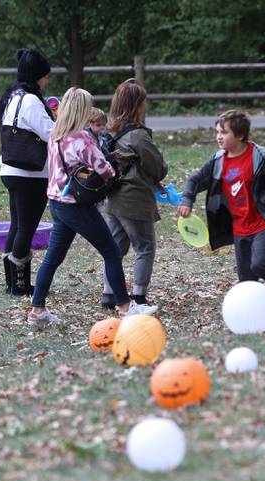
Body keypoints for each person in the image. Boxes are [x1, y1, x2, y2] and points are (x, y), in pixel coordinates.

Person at [28, 87, 157, 325]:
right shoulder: (81, 138)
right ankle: (125, 306)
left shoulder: (55, 134)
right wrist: (111, 164)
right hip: (77, 205)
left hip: (57, 202)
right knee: (111, 251)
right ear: (82, 110)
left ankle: (37, 310)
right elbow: (104, 169)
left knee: (52, 258)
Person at [177, 110, 265, 318]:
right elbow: (195, 180)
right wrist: (187, 198)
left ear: (240, 136)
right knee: (246, 280)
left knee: (261, 265)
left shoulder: (260, 157)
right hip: (239, 227)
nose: (219, 136)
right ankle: (254, 316)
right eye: (217, 131)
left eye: (224, 132)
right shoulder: (218, 160)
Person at [100, 79, 168, 309]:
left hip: (115, 198)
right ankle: (139, 296)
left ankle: (110, 293)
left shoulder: (111, 133)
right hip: (135, 199)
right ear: (136, 105)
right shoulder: (138, 136)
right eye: (143, 102)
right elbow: (158, 167)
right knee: (145, 247)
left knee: (115, 249)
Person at [0, 48, 55, 295]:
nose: (47, 80)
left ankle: (13, 282)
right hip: (28, 173)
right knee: (26, 228)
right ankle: (20, 285)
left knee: (17, 226)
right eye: (45, 75)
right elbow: (51, 134)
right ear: (37, 76)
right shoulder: (31, 101)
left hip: (11, 170)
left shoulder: (13, 96)